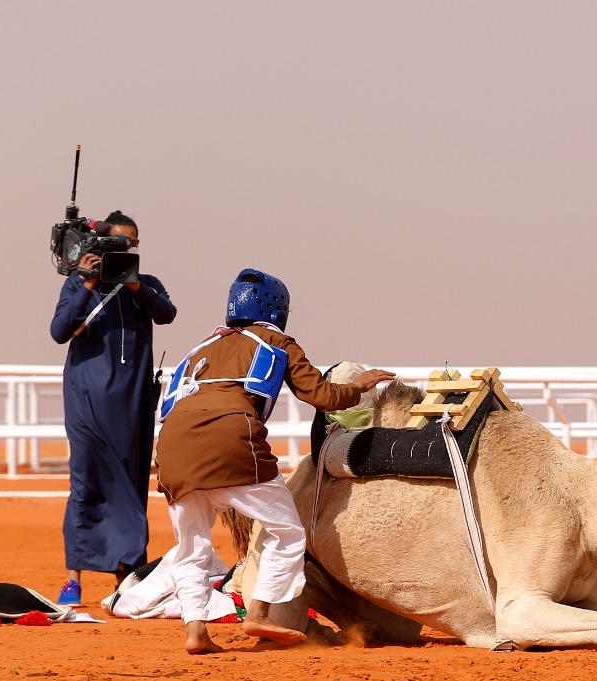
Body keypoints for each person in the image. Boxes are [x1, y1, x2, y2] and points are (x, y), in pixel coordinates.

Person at [154, 269, 394, 654]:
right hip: (231, 440)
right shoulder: (276, 341)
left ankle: (196, 632)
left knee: (190, 547)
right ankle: (259, 613)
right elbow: (321, 395)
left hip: (171, 450)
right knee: (287, 532)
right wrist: (358, 387)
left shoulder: (200, 347)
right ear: (278, 309)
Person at [49, 211, 176, 607]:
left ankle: (128, 574)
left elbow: (167, 314)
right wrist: (87, 282)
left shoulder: (145, 285)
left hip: (133, 403)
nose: (124, 250)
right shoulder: (78, 283)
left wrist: (135, 285)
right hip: (87, 400)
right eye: (116, 243)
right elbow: (58, 331)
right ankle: (73, 579)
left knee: (131, 484)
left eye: (130, 244)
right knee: (85, 482)